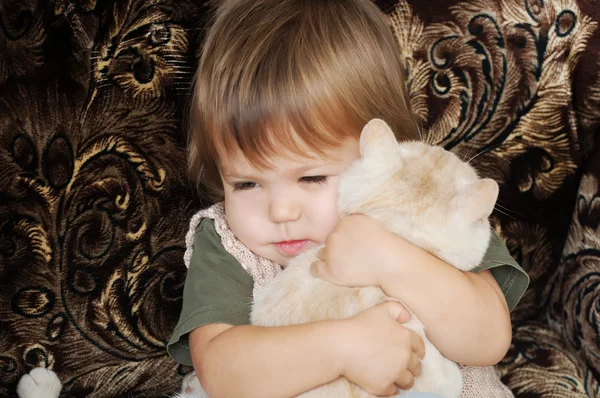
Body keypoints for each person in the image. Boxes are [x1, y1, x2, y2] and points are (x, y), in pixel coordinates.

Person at [167, 0, 530, 397]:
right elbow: (222, 372)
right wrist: (342, 347)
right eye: (246, 184)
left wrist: (391, 259)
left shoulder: (429, 207)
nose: (281, 211)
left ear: (376, 152)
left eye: (312, 177)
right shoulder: (229, 244)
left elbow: (489, 339)